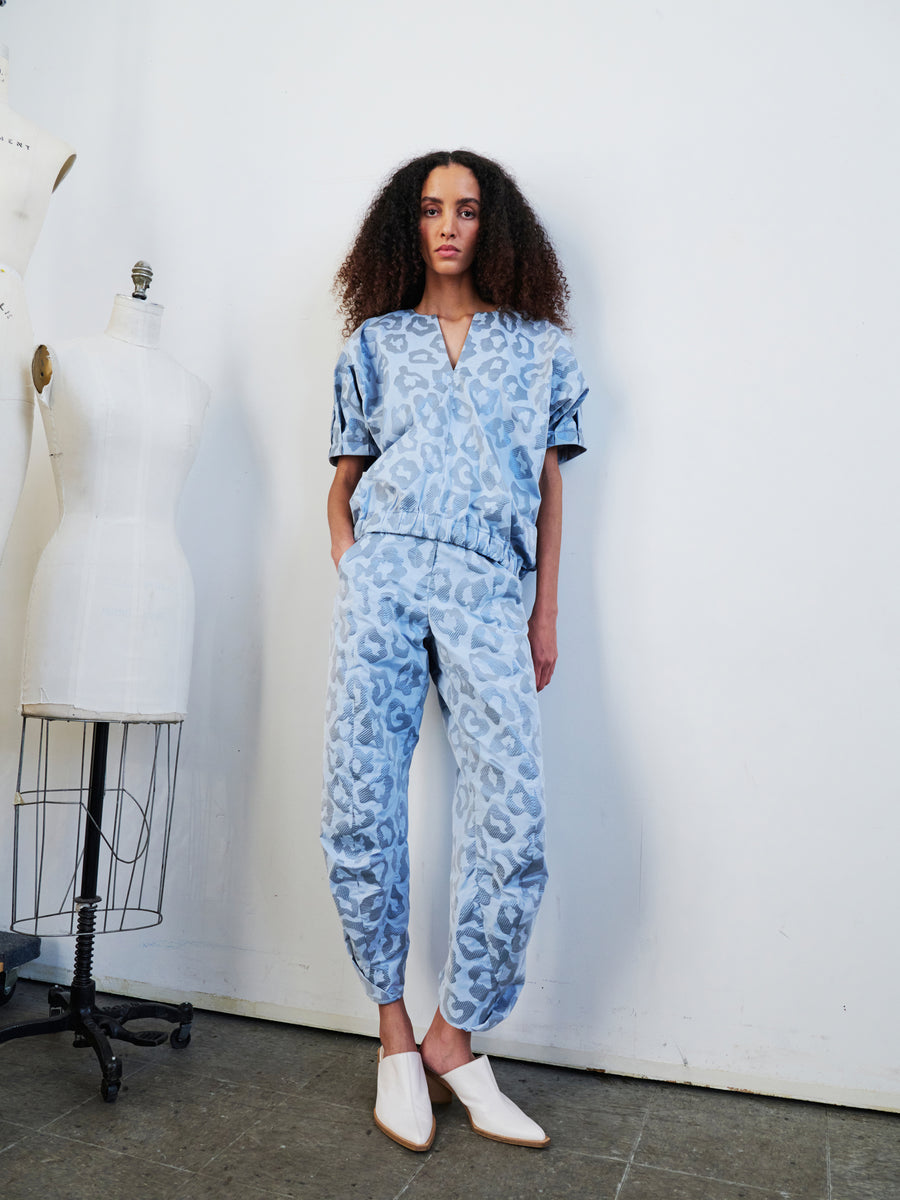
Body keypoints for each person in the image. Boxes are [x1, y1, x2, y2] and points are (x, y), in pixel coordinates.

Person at [321, 150, 587, 1151]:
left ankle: (453, 1036)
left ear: (495, 226)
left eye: (467, 210)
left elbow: (554, 489)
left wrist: (543, 613)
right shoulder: (377, 346)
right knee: (360, 803)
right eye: (431, 210)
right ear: (408, 224)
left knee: (513, 819)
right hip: (385, 578)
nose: (447, 227)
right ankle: (392, 1032)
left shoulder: (541, 352)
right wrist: (356, 569)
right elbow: (341, 486)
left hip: (486, 585)